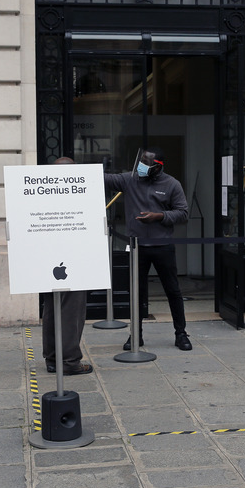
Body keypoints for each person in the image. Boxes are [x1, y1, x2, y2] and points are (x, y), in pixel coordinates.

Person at [104, 148, 191, 351]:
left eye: (146, 162)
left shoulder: (171, 184)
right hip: (137, 248)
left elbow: (183, 213)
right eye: (140, 161)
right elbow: (104, 179)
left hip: (163, 246)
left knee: (173, 291)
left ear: (158, 166)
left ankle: (181, 334)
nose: (140, 166)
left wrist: (159, 216)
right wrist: (74, 171)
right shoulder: (130, 179)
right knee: (136, 293)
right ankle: (136, 335)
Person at [41, 157, 93, 375]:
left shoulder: (43, 197)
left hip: (46, 261)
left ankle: (52, 359)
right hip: (73, 261)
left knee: (51, 309)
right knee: (71, 312)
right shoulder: (78, 197)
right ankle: (70, 361)